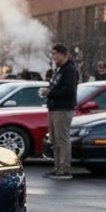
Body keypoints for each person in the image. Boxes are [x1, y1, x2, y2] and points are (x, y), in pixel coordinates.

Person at [41, 43, 79, 179]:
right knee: (55, 139)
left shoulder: (70, 70)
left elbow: (68, 91)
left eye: (55, 54)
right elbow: (56, 86)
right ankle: (57, 168)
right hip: (54, 108)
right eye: (52, 54)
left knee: (62, 139)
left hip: (63, 109)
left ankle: (65, 169)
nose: (53, 56)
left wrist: (50, 93)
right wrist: (49, 92)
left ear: (64, 55)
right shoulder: (59, 69)